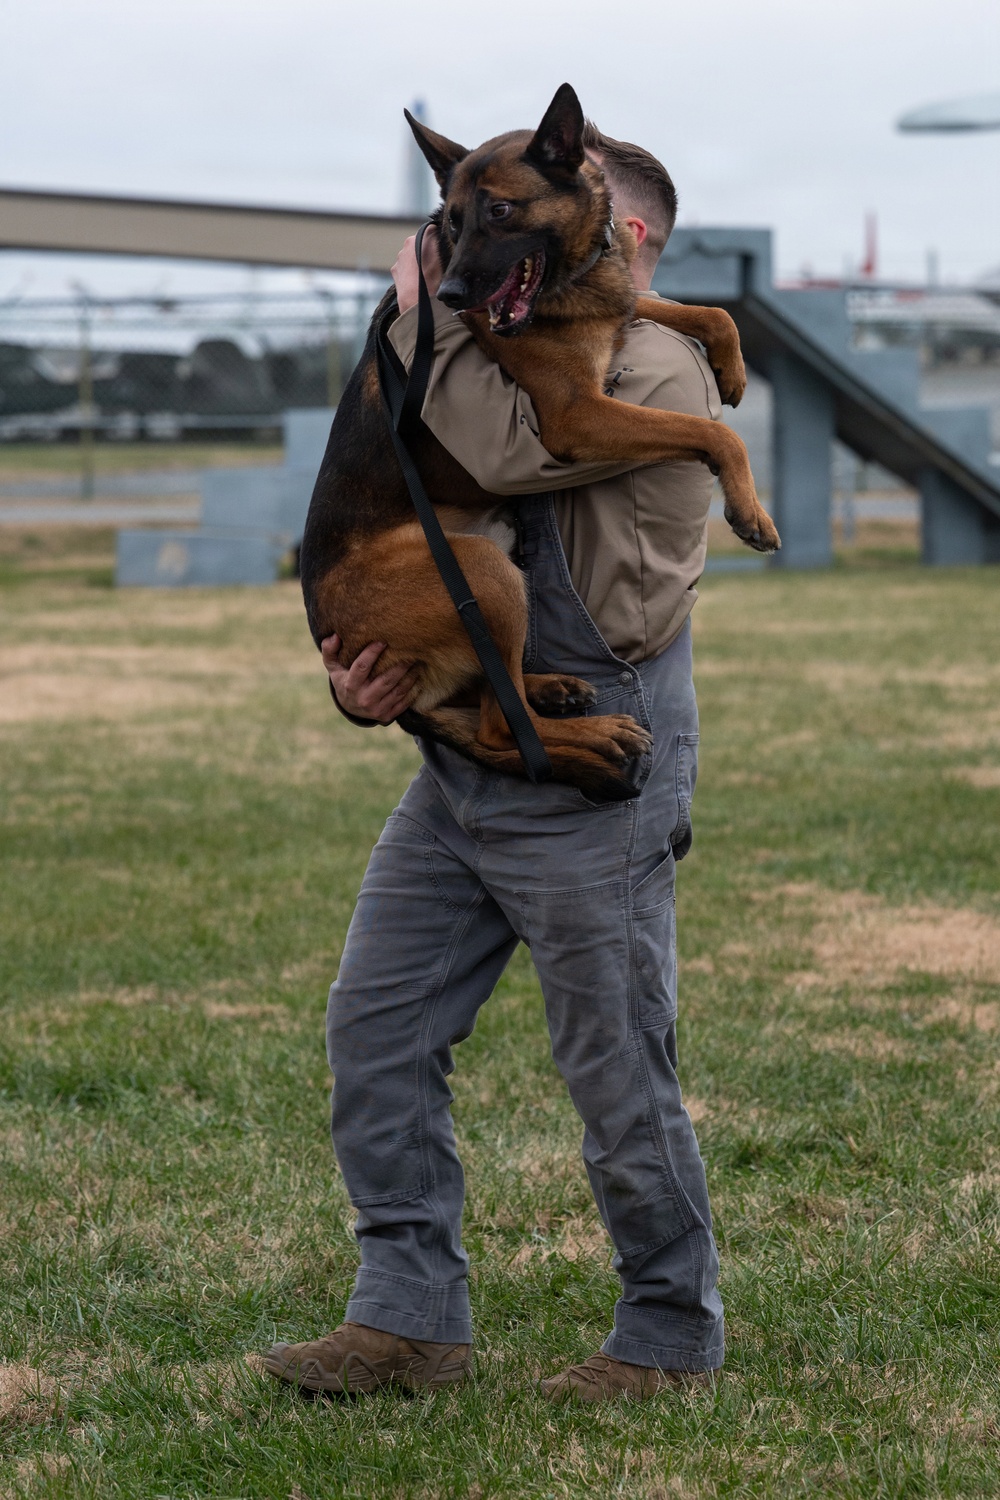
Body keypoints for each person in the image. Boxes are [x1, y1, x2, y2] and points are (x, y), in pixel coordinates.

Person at [264, 124, 726, 1404]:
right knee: (377, 1029)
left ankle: (668, 1334)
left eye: (501, 234)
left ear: (612, 234)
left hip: (598, 766)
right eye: (465, 235)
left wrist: (415, 318)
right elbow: (413, 522)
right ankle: (407, 1320)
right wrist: (384, 690)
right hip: (471, 762)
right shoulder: (498, 344)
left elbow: (512, 449)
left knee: (615, 1060)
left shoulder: (667, 370)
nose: (478, 261)